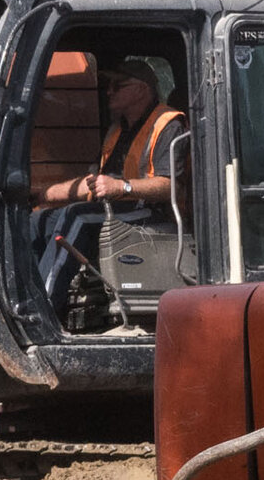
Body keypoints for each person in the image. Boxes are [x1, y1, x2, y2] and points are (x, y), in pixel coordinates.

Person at [31, 65, 179, 327]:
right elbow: (92, 185)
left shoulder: (168, 125)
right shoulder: (117, 131)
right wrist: (40, 195)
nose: (109, 92)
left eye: (118, 86)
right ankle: (27, 294)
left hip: (151, 211)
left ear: (142, 89)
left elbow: (170, 186)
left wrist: (122, 188)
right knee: (38, 220)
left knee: (77, 215)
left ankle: (44, 307)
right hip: (117, 207)